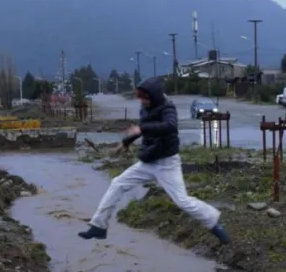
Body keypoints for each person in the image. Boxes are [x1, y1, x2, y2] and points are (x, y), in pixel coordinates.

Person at [79, 76, 232, 244]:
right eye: (140, 99)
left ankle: (214, 223)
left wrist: (142, 129)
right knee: (117, 183)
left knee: (182, 201)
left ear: (153, 96)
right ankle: (99, 227)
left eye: (144, 99)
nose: (142, 102)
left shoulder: (168, 107)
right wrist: (125, 143)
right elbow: (140, 129)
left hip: (167, 163)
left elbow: (170, 126)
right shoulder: (145, 108)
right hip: (148, 161)